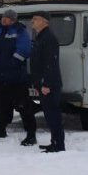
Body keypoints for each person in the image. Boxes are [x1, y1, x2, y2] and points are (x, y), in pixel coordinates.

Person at [0, 8, 37, 145]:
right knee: (1, 105)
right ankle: (0, 130)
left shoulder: (20, 31)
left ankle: (31, 134)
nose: (3, 19)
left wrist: (13, 62)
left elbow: (24, 49)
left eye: (6, 18)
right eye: (3, 17)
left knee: (23, 106)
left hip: (17, 78)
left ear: (13, 20)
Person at [30, 11, 65, 153]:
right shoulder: (40, 37)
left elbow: (50, 63)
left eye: (35, 19)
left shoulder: (49, 38)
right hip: (43, 84)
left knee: (53, 116)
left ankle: (58, 145)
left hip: (49, 85)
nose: (33, 21)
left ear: (44, 21)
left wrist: (46, 84)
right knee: (49, 116)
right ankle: (54, 142)